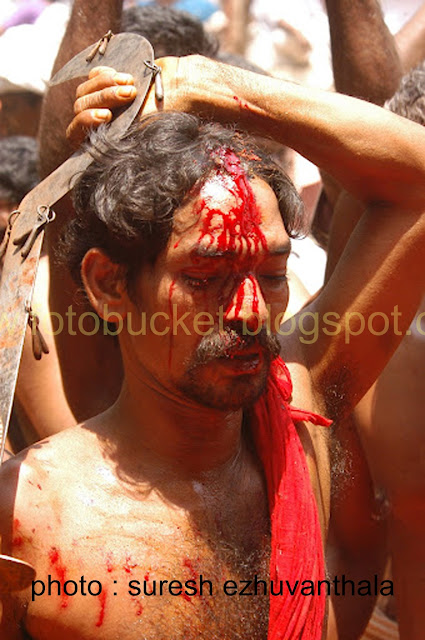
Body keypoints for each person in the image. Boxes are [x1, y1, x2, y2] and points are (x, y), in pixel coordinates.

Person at [2, 48, 425, 638]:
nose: (251, 312)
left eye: (272, 274)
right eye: (205, 278)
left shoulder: (299, 406)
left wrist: (210, 84)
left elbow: (415, 182)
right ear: (109, 284)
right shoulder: (27, 515)